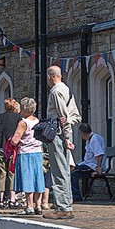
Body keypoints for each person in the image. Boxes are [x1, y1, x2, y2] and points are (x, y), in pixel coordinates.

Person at [44, 65, 81, 220]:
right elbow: (76, 116)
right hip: (63, 135)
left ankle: (63, 208)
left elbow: (63, 117)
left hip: (58, 136)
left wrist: (66, 137)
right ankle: (67, 205)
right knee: (64, 171)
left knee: (59, 171)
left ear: (51, 76)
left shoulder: (56, 92)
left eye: (47, 77)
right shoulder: (67, 90)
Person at [10, 97, 45, 216]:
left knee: (28, 179)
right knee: (38, 179)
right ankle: (38, 206)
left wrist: (11, 142)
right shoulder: (37, 121)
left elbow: (15, 140)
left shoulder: (23, 123)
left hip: (25, 153)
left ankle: (29, 206)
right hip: (37, 152)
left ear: (24, 109)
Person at [71, 123, 105, 202]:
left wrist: (98, 169)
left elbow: (99, 154)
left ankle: (76, 195)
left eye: (80, 133)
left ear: (82, 133)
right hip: (88, 164)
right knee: (72, 168)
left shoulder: (94, 139)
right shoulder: (89, 140)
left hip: (93, 166)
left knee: (74, 173)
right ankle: (71, 194)